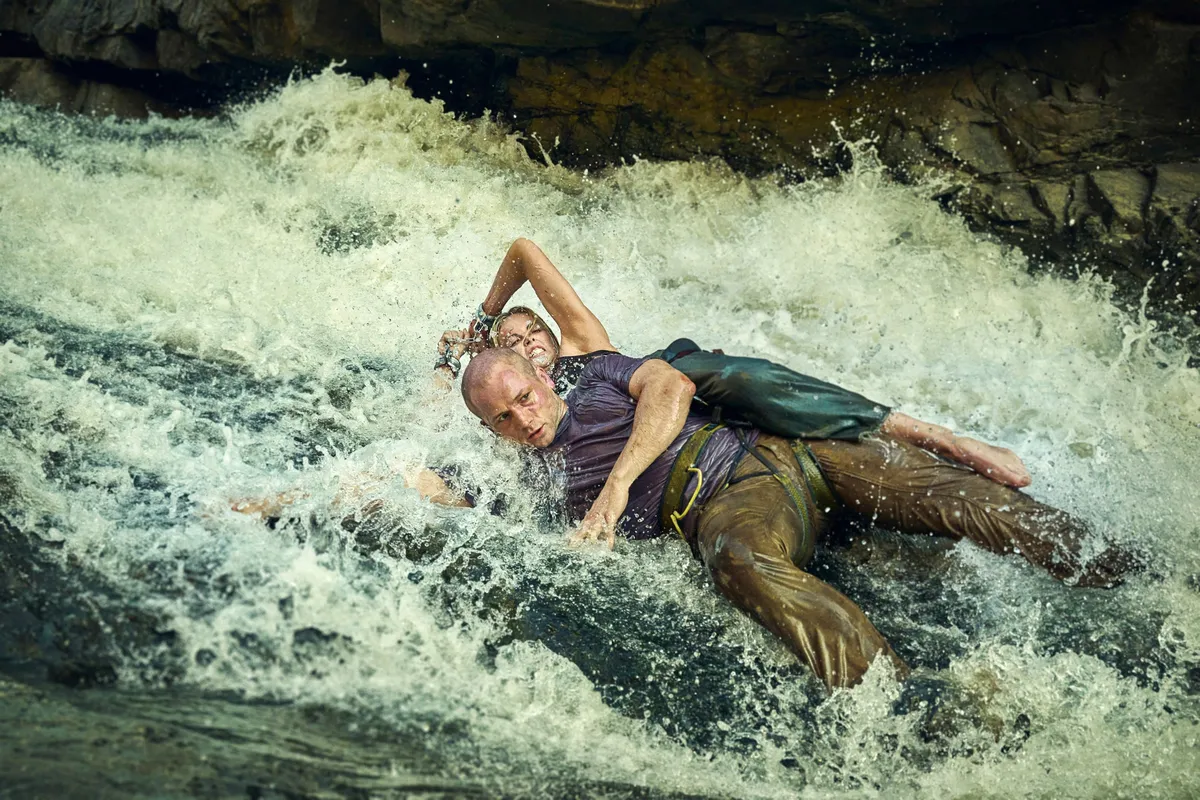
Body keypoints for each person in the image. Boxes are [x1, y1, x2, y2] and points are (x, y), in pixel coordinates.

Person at [459, 347, 1134, 691]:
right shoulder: (526, 485)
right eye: (503, 418)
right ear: (490, 429)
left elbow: (672, 387)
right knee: (737, 562)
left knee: (970, 501)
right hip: (727, 505)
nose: (524, 418)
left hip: (784, 445)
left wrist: (615, 490)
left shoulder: (595, 372)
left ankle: (1126, 572)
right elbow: (451, 499)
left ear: (540, 377)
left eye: (523, 396)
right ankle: (901, 705)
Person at [439, 238, 1032, 488]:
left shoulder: (581, 344)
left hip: (676, 390)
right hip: (668, 467)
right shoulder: (517, 420)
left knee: (723, 373)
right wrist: (449, 363)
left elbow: (521, 250)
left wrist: (485, 313)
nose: (524, 344)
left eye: (530, 331)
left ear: (550, 334)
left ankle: (934, 436)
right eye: (508, 343)